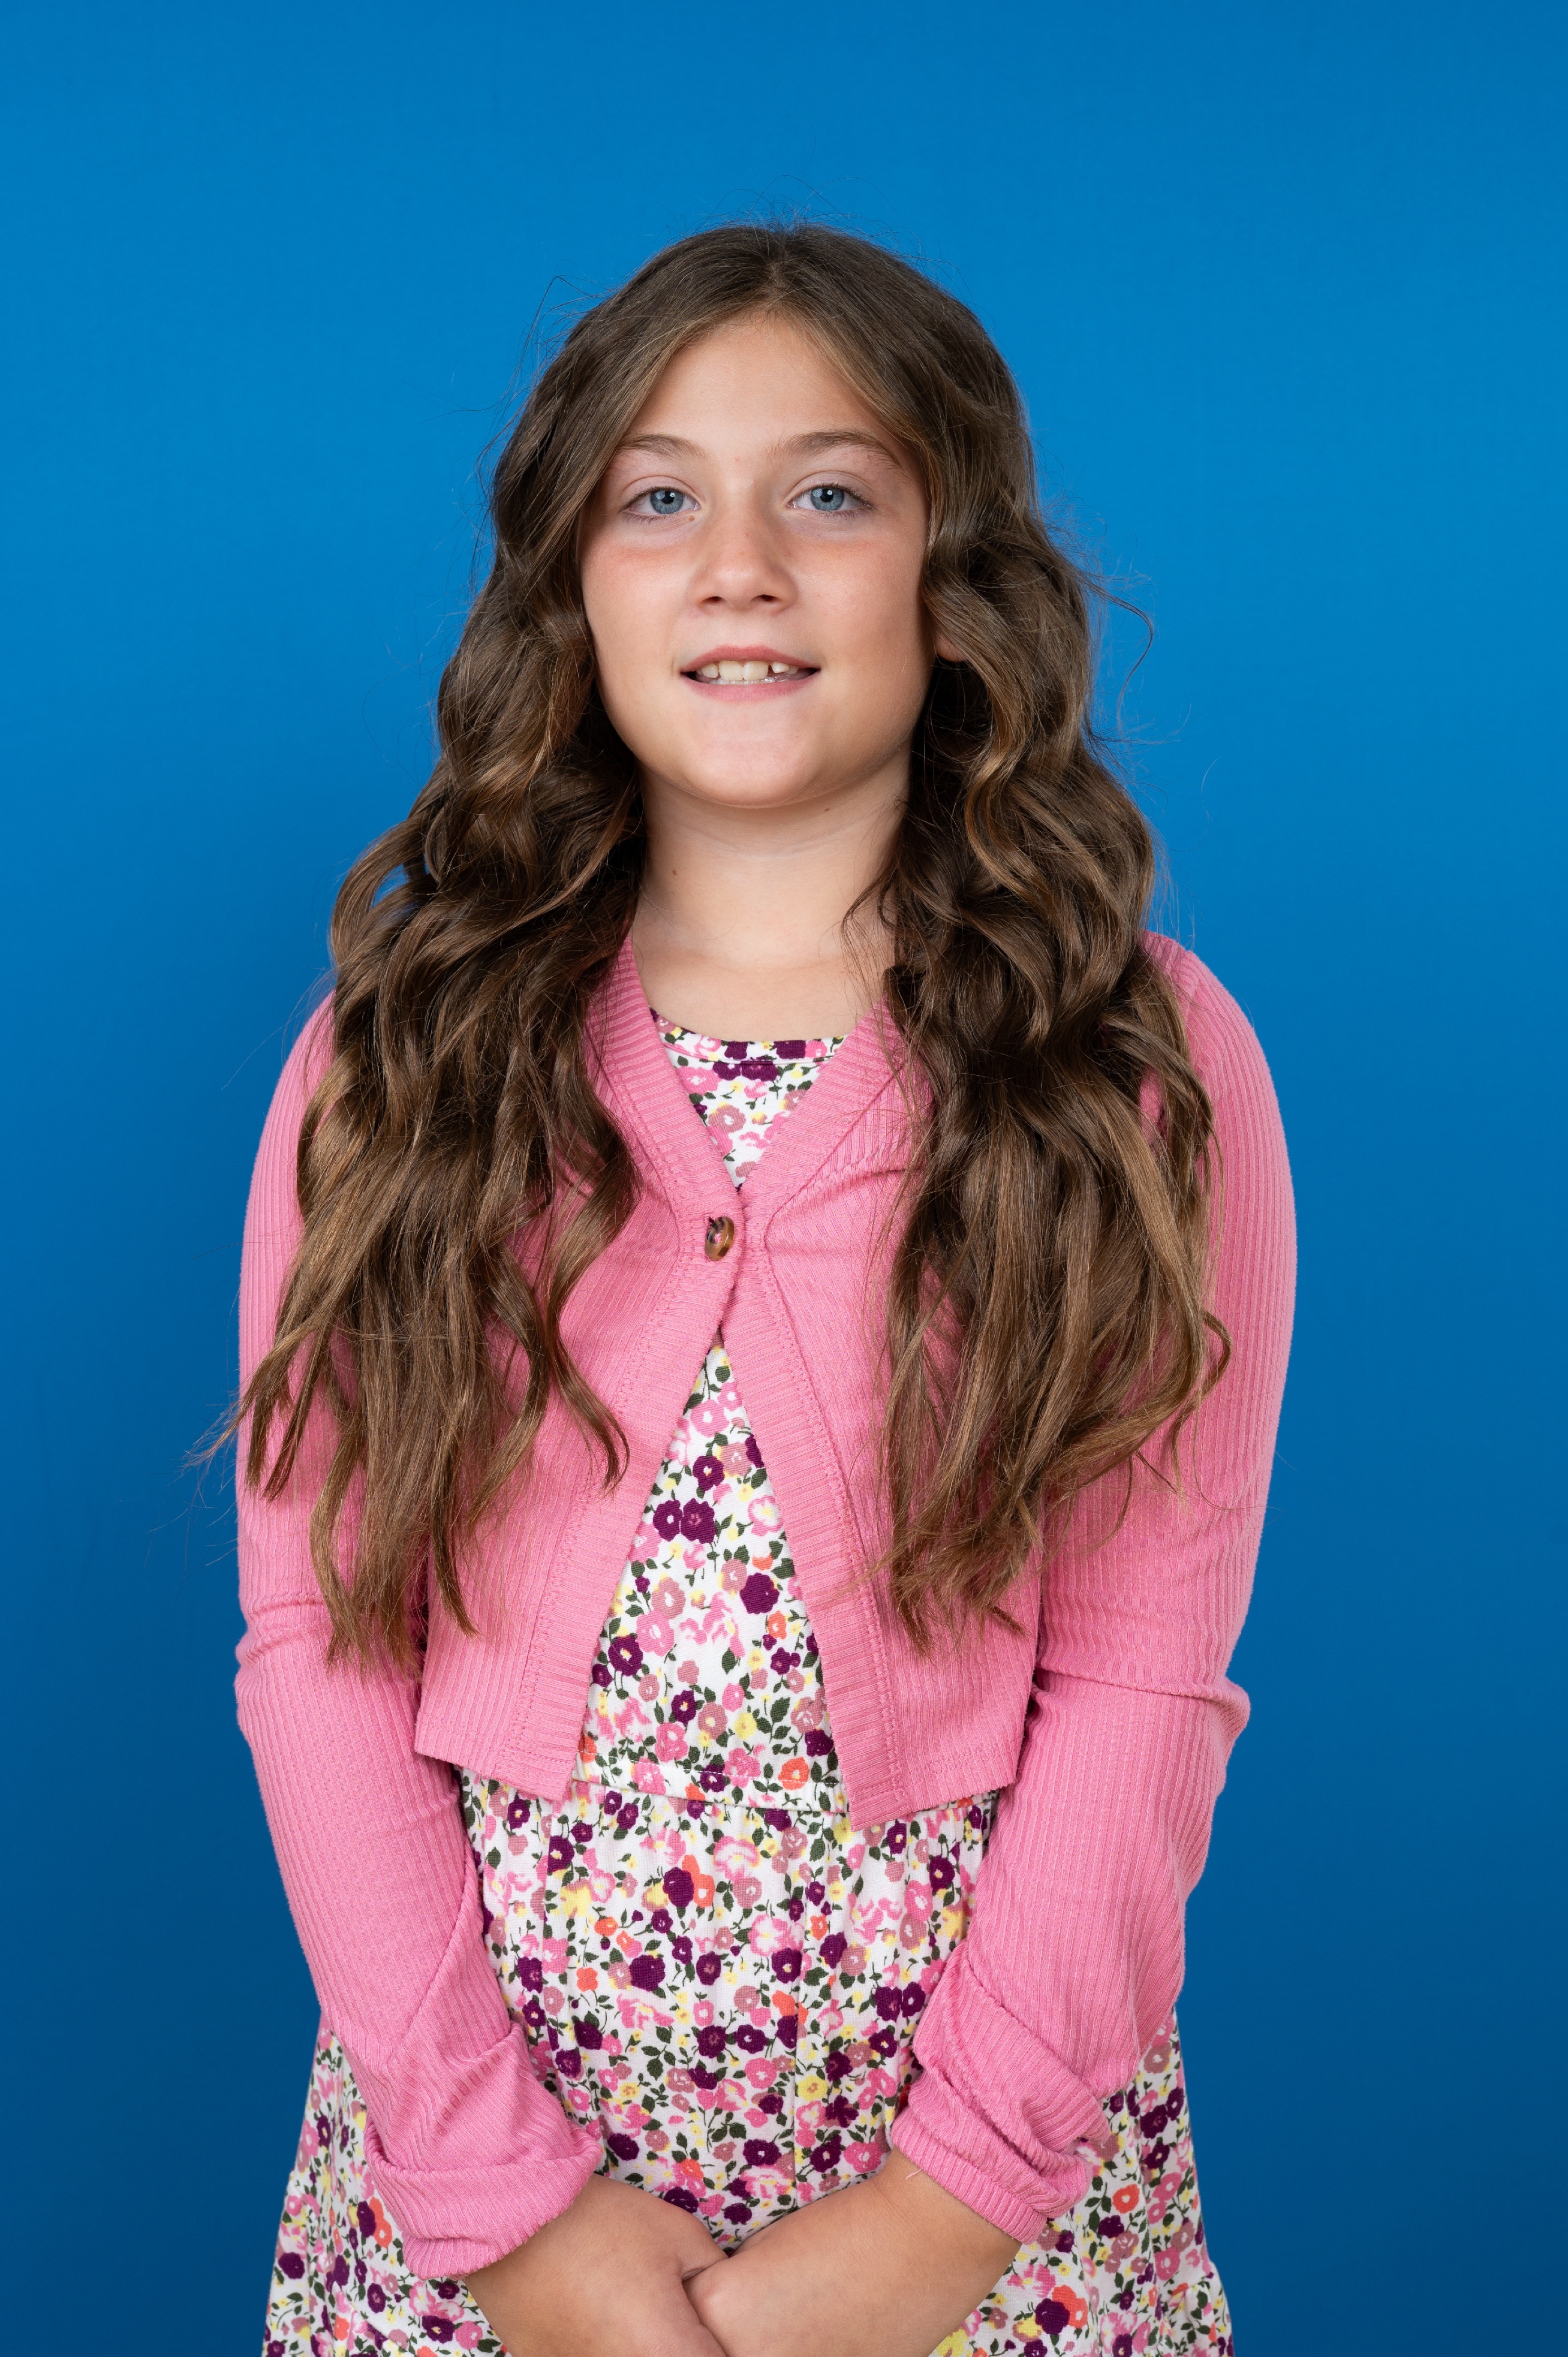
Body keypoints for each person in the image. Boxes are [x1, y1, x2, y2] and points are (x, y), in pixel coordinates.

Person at [236, 221, 1294, 2357]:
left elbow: (1142, 1681)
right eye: (659, 498)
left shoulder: (1136, 1067)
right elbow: (319, 1645)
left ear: (952, 579)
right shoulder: (405, 1058)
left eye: (828, 492)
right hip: (474, 2219)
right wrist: (506, 2213)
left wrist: (938, 2218)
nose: (740, 565)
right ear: (575, 584)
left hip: (993, 2233)